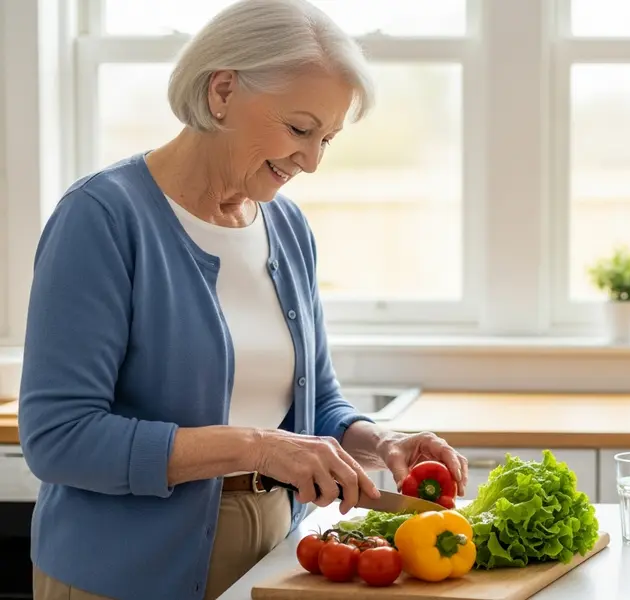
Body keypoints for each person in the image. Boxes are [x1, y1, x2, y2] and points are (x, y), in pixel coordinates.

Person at [16, 1, 469, 598]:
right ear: (223, 90)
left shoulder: (286, 226)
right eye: (300, 129)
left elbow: (314, 405)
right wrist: (257, 446)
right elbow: (59, 438)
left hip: (278, 555)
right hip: (123, 573)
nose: (311, 161)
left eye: (327, 139)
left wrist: (378, 441)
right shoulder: (102, 218)